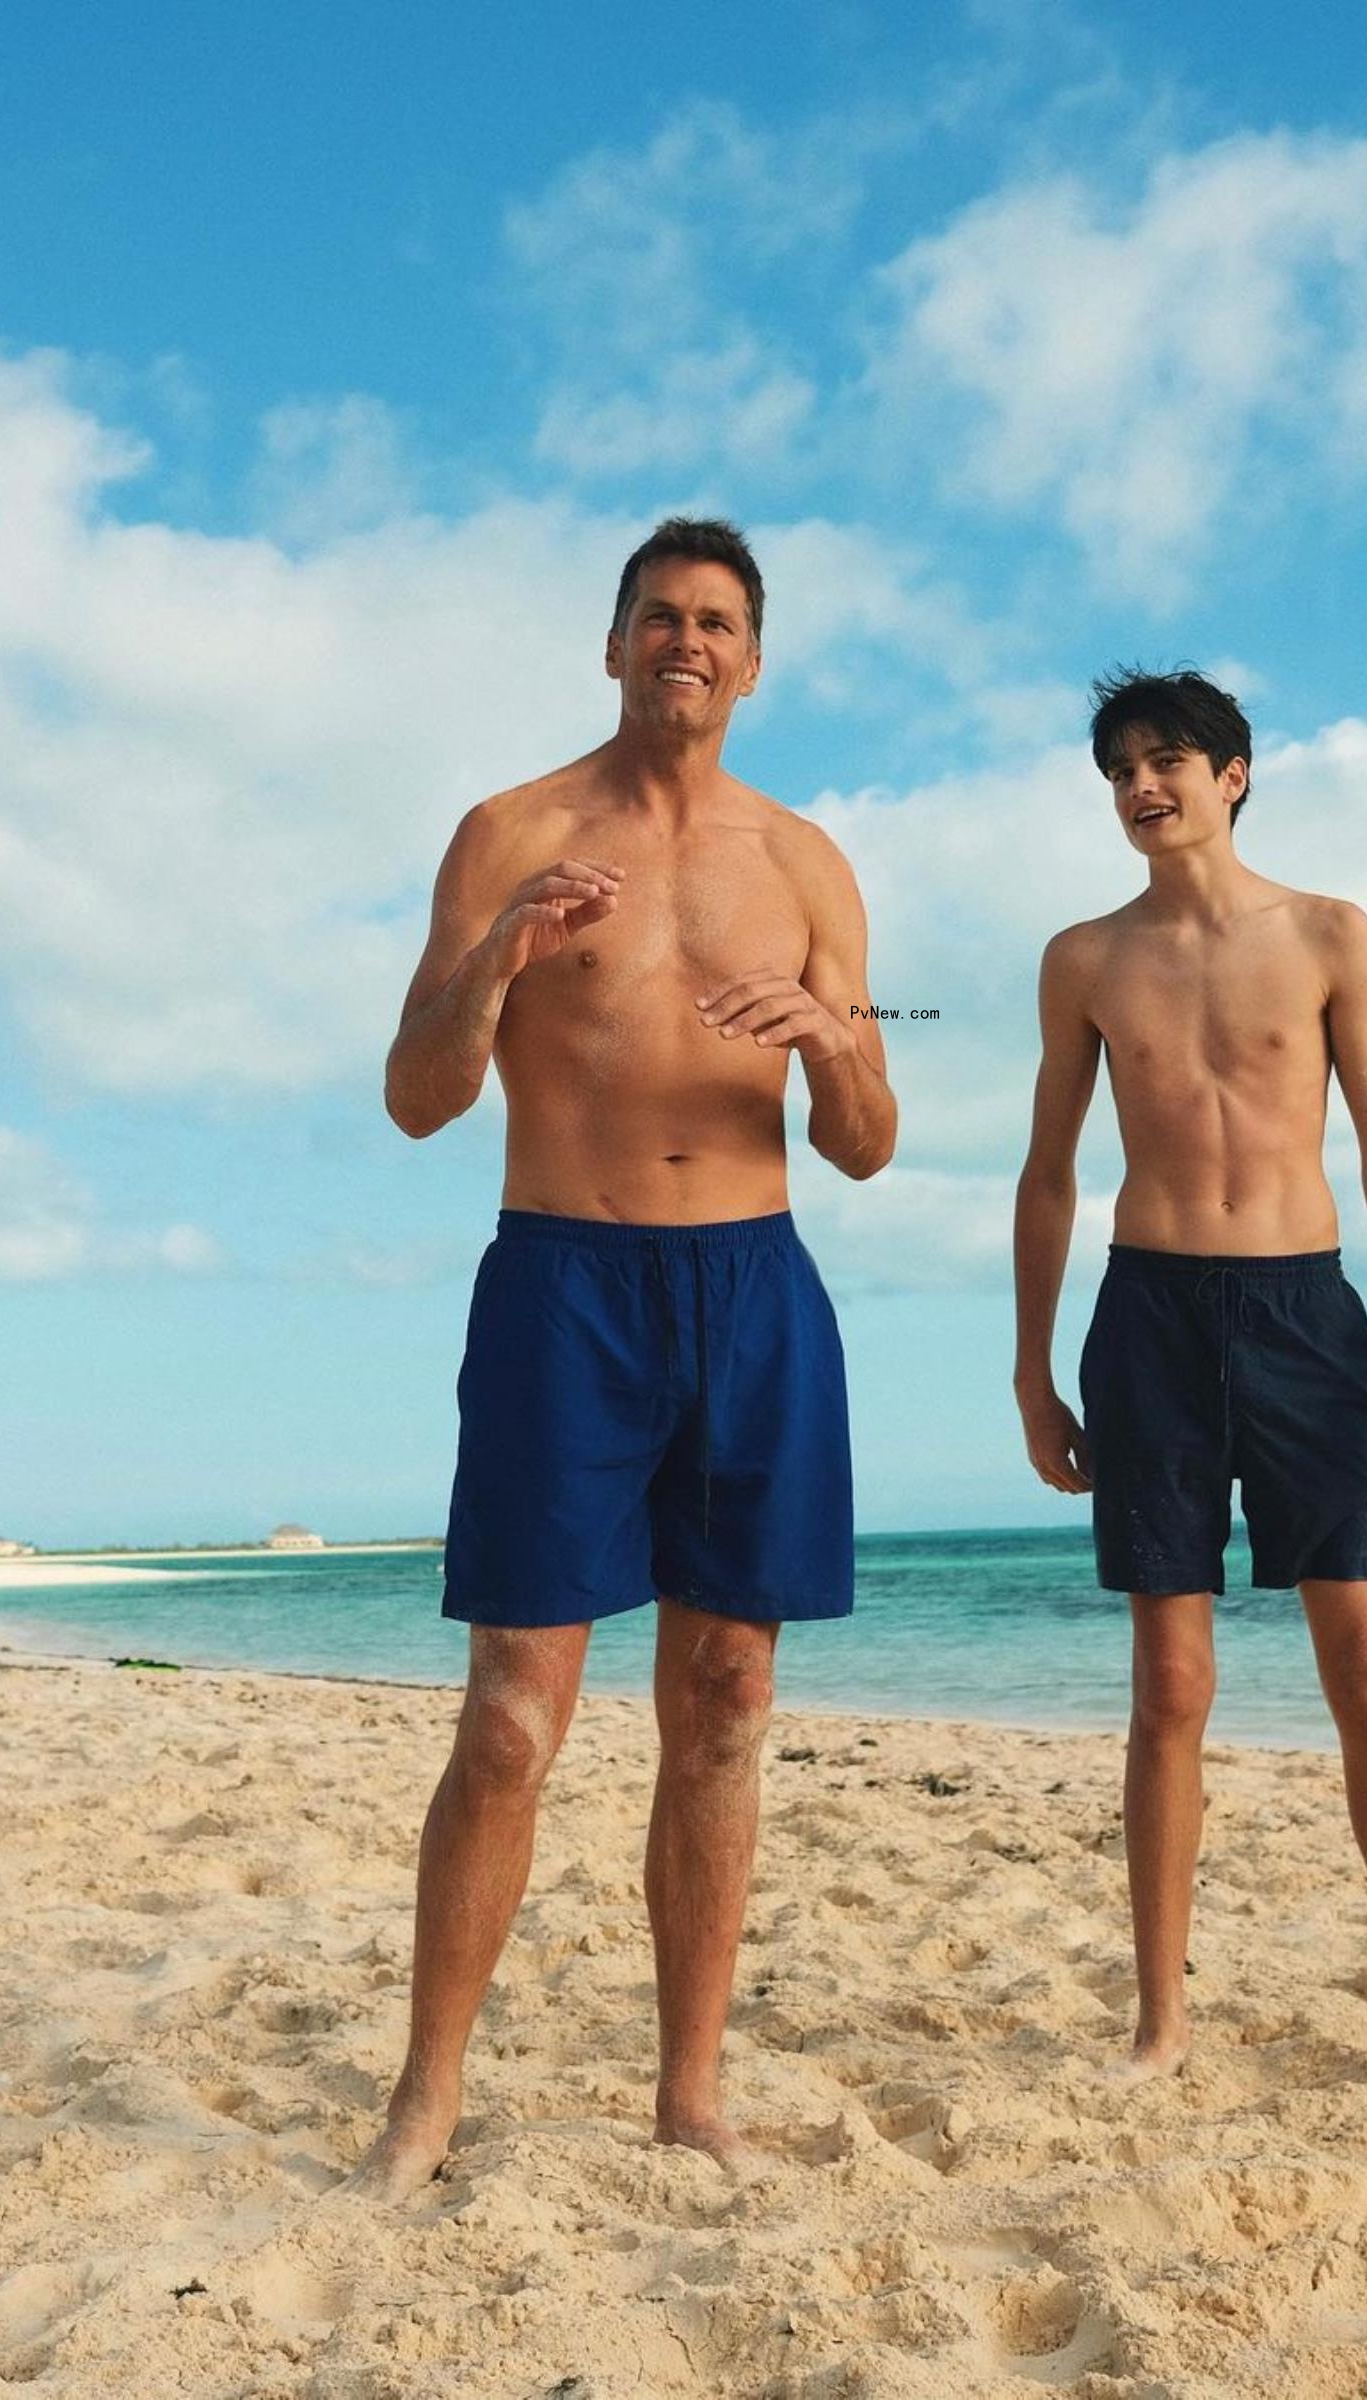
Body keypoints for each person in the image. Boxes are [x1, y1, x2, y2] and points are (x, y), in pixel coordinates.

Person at [350, 517, 895, 2198]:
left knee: (726, 1705)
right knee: (514, 1720)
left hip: (752, 1286)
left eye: (718, 622)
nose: (687, 641)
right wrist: (498, 956)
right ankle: (425, 2100)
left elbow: (869, 1142)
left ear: (753, 662)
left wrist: (834, 1049)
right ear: (613, 645)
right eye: (660, 616)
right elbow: (418, 1096)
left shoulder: (806, 864)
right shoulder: (510, 832)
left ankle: (691, 2094)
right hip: (562, 1287)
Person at [1013, 667, 1367, 2103]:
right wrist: (1033, 1372)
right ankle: (1159, 2027)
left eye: (1166, 760)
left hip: (1307, 1314)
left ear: (1232, 775)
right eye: (1121, 770)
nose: (1141, 787)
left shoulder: (1329, 934)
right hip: (1150, 1320)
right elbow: (1048, 1173)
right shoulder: (1084, 959)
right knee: (1170, 1687)